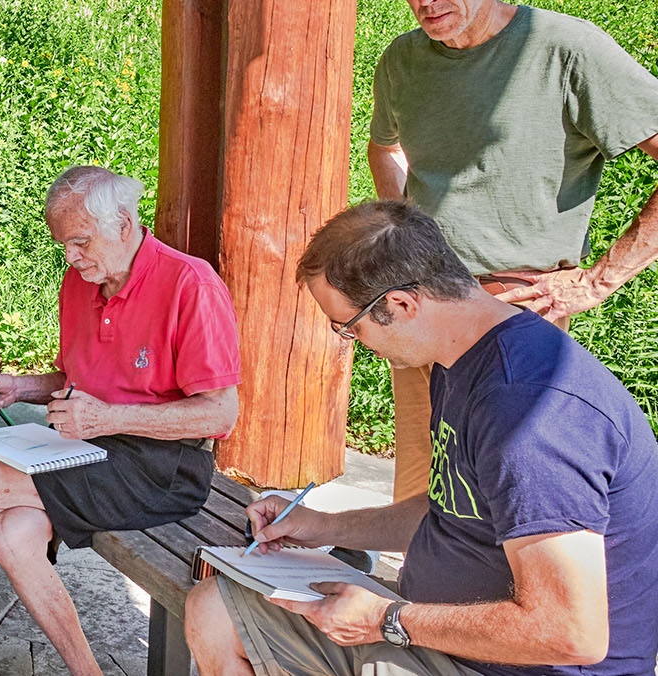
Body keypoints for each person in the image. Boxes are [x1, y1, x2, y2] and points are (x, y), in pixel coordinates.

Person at [184, 200, 658, 676]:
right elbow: (457, 511)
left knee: (220, 616)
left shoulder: (527, 413)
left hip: (512, 664)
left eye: (348, 326)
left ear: (400, 304)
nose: (356, 344)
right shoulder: (464, 358)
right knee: (214, 608)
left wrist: (388, 620)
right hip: (450, 642)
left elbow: (571, 633)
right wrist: (323, 527)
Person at [0, 166, 240, 676]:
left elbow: (219, 412)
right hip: (93, 449)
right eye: (64, 246)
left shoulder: (190, 284)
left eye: (79, 242)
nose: (71, 258)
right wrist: (20, 386)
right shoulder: (80, 283)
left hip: (166, 467)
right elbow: (75, 378)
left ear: (123, 222)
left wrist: (106, 417)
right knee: (10, 533)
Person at [368, 0, 658, 502]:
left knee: (513, 493)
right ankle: (406, 596)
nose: (426, 0)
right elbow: (385, 150)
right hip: (419, 300)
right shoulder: (402, 59)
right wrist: (399, 235)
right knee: (422, 492)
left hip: (516, 308)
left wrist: (598, 281)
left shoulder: (567, 49)